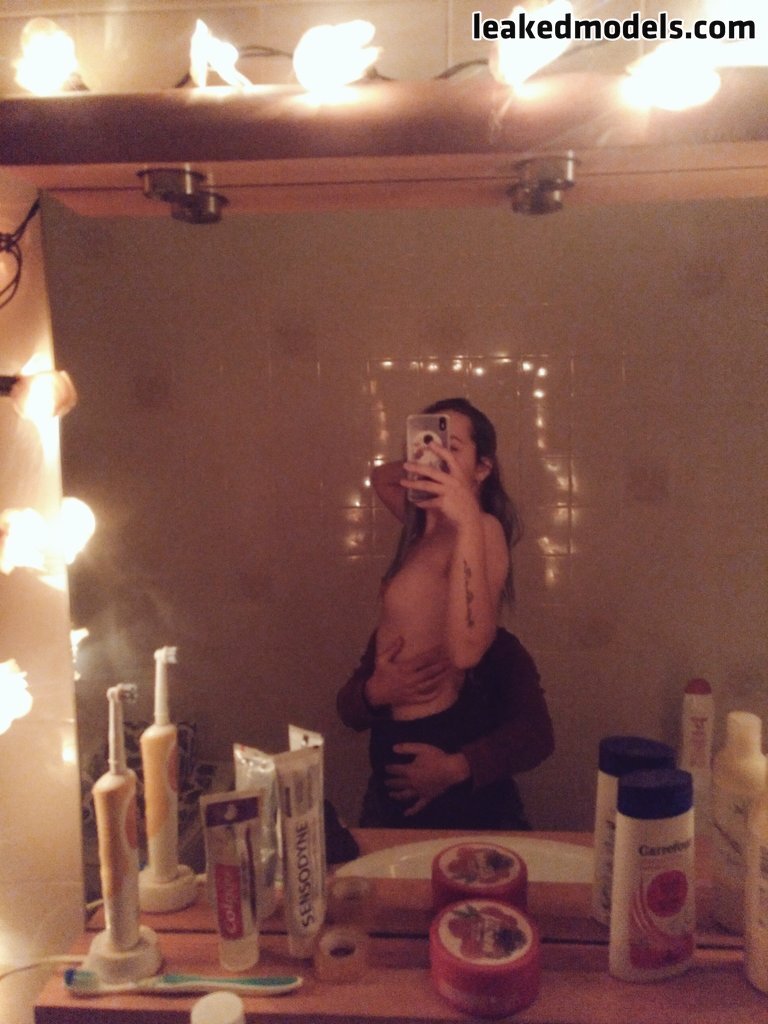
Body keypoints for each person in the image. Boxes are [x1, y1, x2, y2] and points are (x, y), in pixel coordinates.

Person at [336, 397, 554, 829]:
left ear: (483, 468)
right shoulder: (420, 527)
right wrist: (378, 690)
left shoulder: (482, 529)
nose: (436, 458)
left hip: (445, 750)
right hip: (392, 749)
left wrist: (468, 514)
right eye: (427, 444)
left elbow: (467, 651)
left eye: (452, 448)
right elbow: (381, 477)